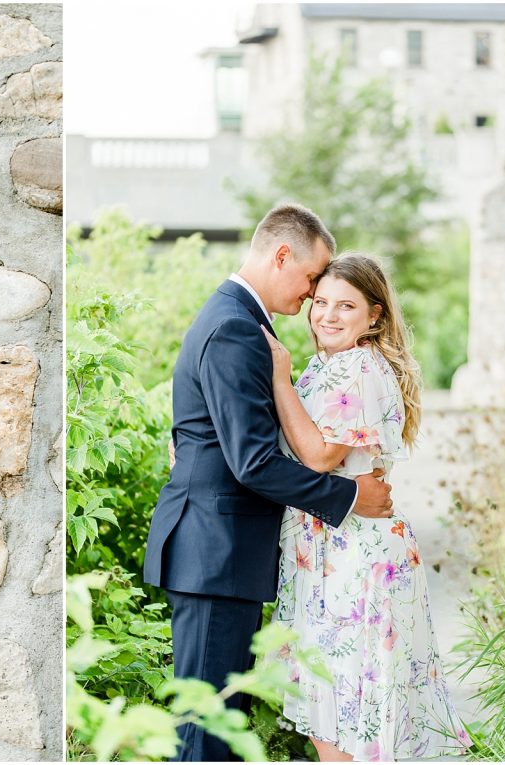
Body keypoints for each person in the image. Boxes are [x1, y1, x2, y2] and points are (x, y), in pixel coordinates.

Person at [143, 204, 394, 762]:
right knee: (205, 733)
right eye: (311, 279)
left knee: (219, 726)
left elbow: (215, 434)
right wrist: (351, 497)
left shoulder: (236, 318)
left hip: (220, 553)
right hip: (214, 553)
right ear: (282, 256)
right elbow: (253, 462)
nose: (311, 296)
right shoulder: (236, 326)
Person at [263, 253, 472, 761]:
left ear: (374, 316)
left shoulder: (357, 368)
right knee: (332, 708)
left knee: (346, 710)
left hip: (355, 554)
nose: (327, 316)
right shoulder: (328, 366)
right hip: (328, 547)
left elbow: (319, 455)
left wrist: (279, 378)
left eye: (346, 307)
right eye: (322, 303)